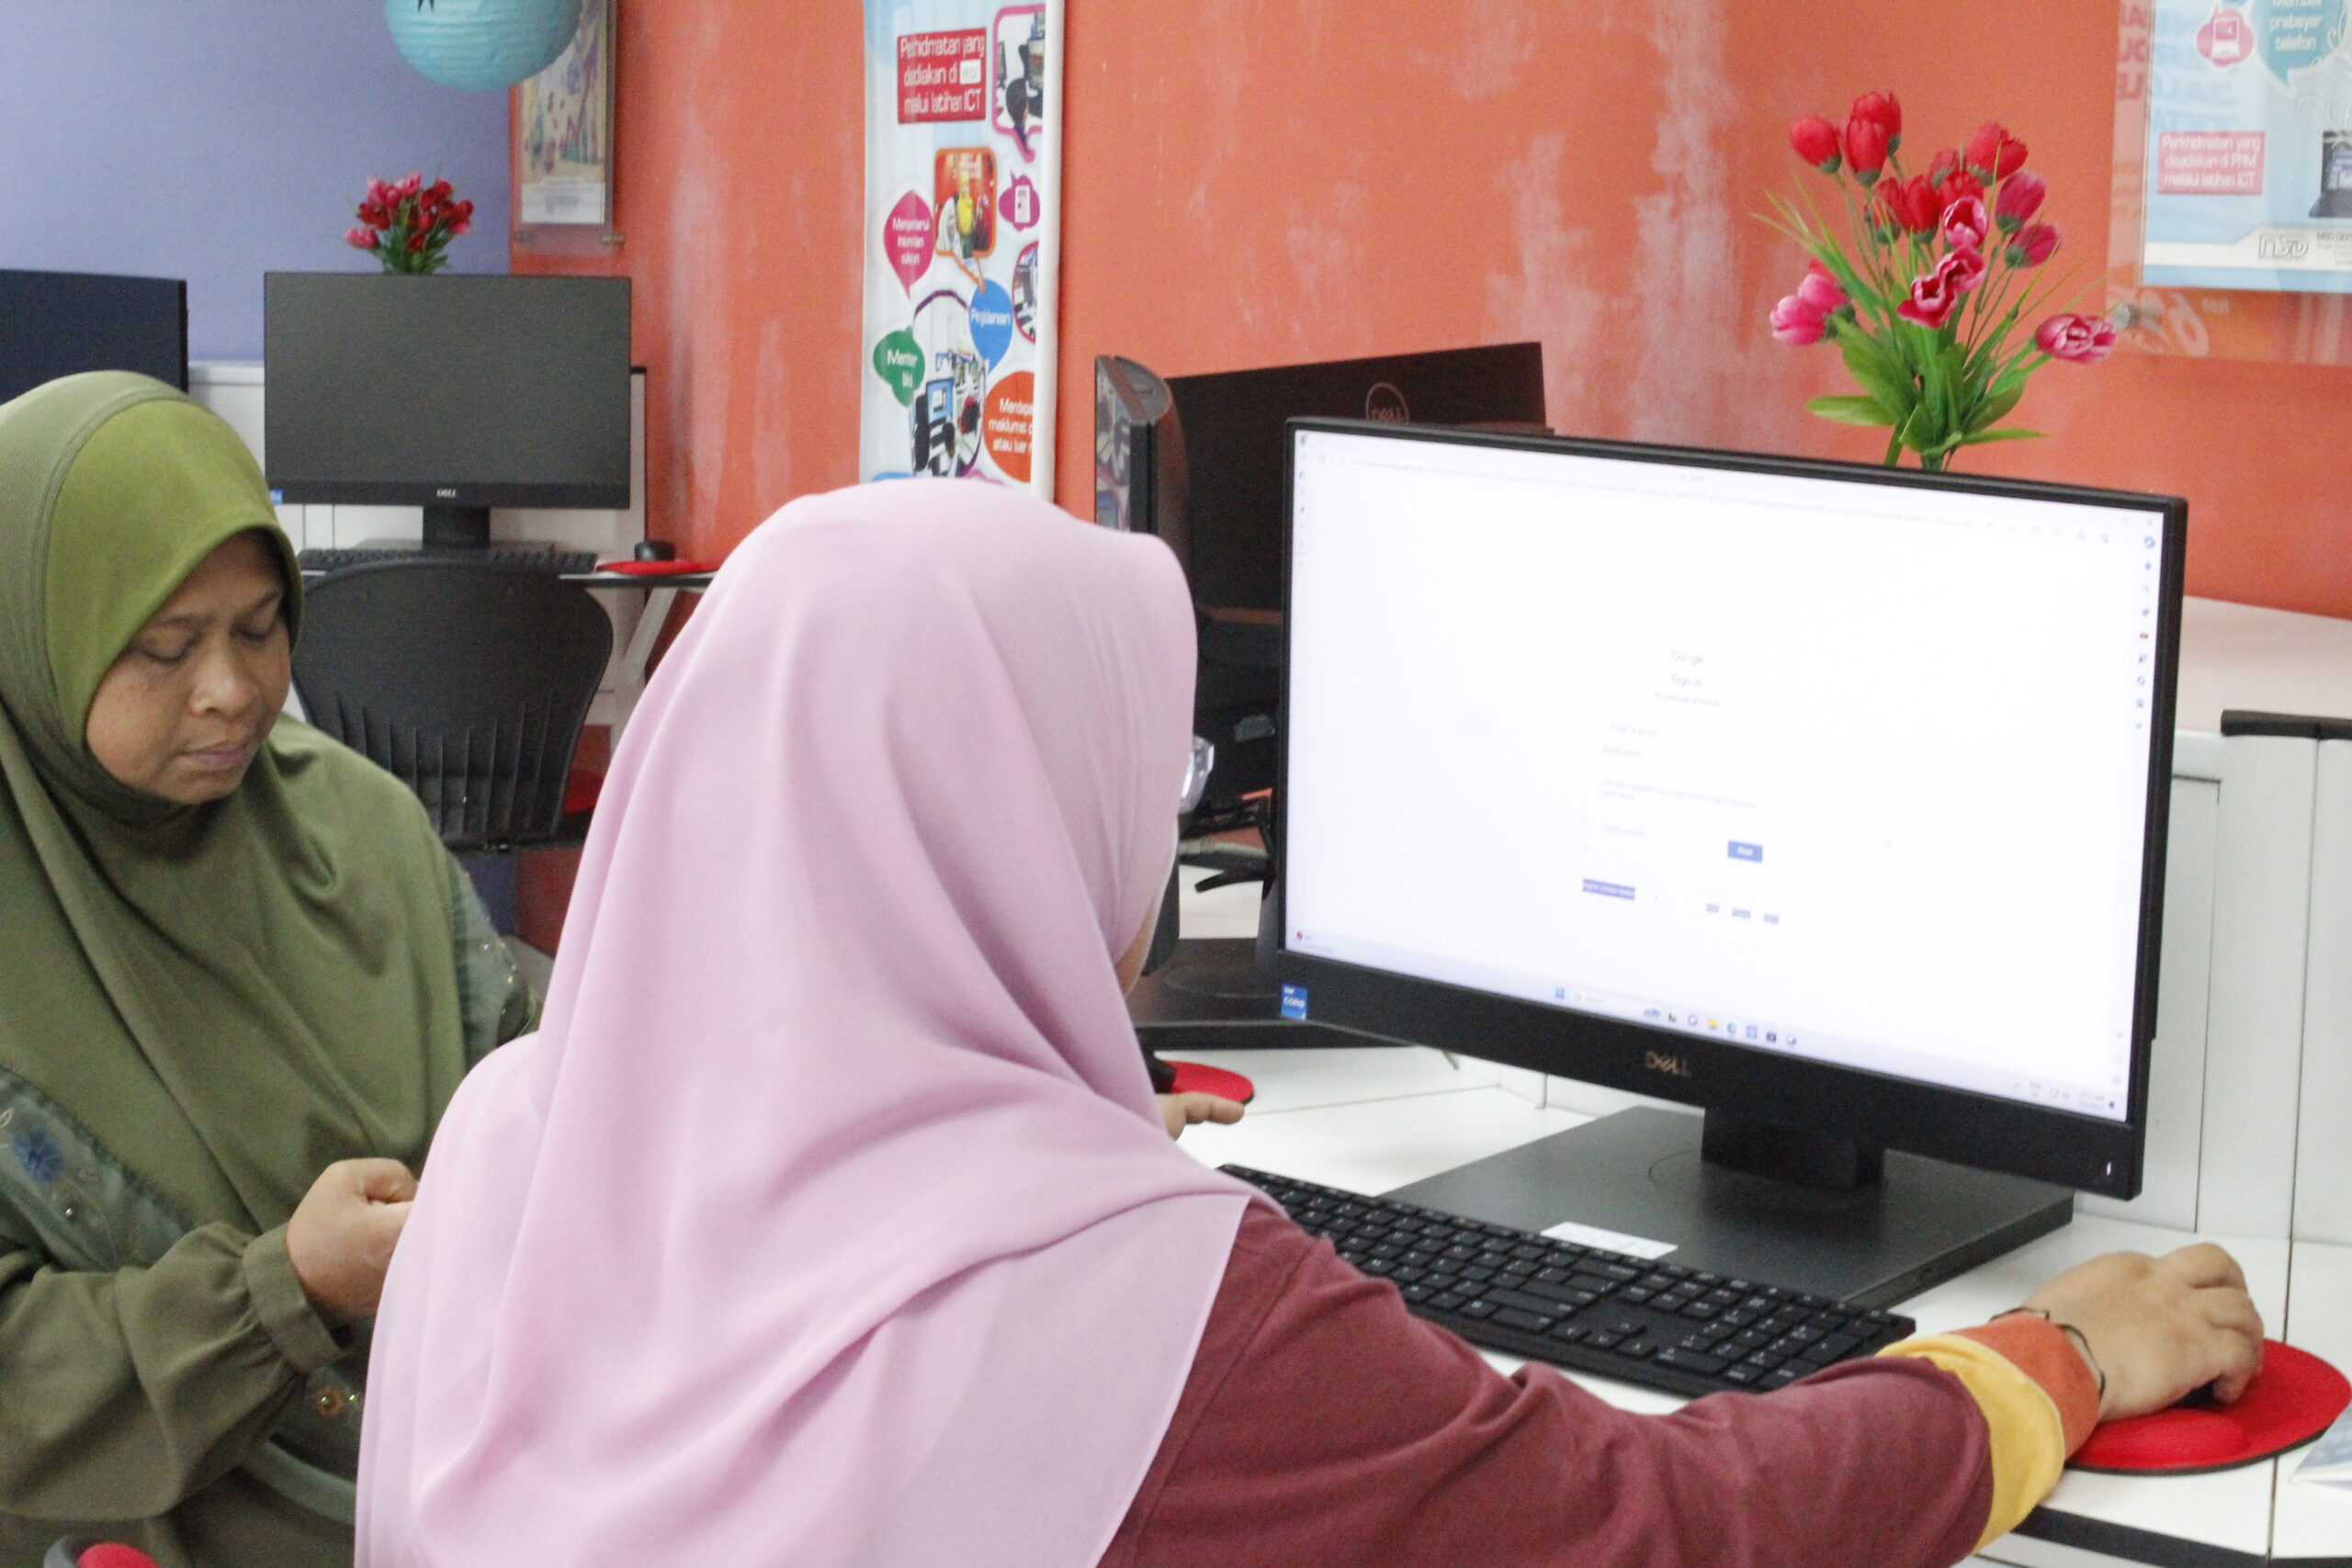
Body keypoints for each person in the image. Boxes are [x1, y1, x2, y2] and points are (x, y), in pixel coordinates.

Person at [356, 479, 2262, 1568]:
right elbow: (1655, 1529)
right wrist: (2050, 1359)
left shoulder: (515, 1137)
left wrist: (1063, 1163)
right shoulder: (1145, 1305)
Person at [0, 373, 535, 1567]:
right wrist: (284, 1292)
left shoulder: (361, 825)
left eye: (260, 629)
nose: (233, 693)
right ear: (36, 645)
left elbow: (518, 1061)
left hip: (468, 1467)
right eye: (164, 648)